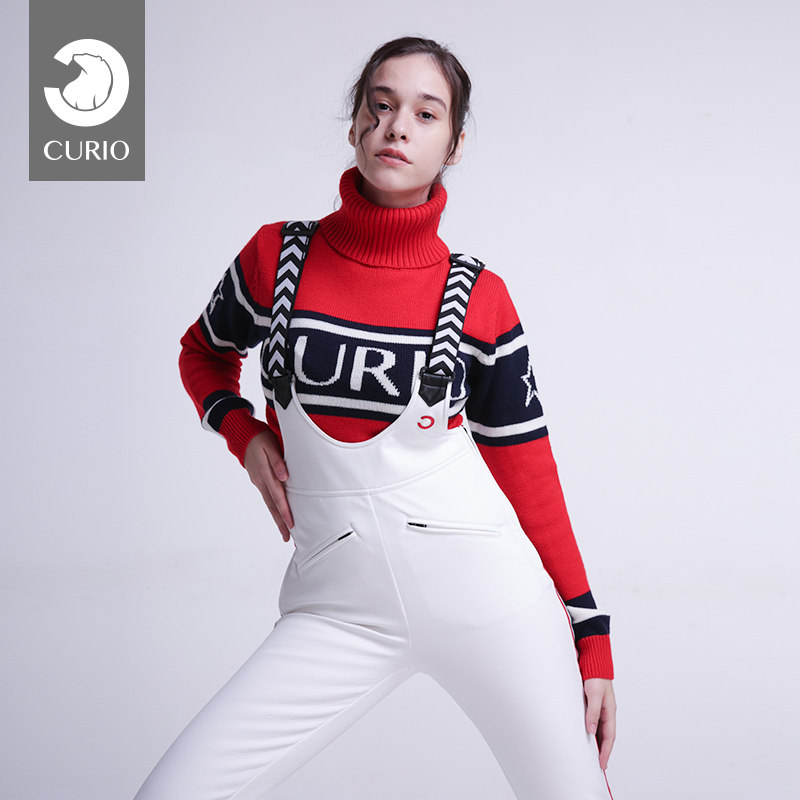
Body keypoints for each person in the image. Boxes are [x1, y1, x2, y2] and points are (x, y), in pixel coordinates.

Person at [134, 36, 616, 800]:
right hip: (336, 607)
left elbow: (529, 469)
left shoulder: (478, 295)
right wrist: (243, 433)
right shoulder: (275, 258)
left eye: (426, 114)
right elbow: (203, 353)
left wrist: (590, 634)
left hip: (489, 602)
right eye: (382, 105)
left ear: (454, 143)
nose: (397, 127)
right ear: (357, 120)